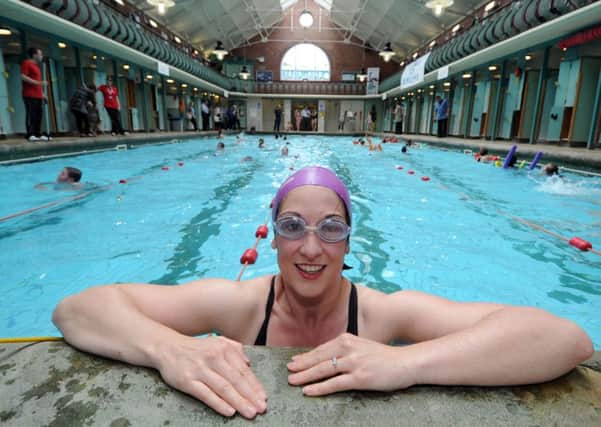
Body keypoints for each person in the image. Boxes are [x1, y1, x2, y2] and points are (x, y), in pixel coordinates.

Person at [52, 166, 593, 420]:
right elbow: (77, 308)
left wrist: (407, 364)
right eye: (292, 227)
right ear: (272, 238)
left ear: (349, 238)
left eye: (330, 229)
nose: (311, 248)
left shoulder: (382, 314)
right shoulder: (238, 304)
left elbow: (564, 339)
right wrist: (170, 348)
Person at [21, 47, 48, 142]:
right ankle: (30, 134)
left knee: (38, 115)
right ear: (34, 55)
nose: (41, 56)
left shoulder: (37, 66)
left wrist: (43, 94)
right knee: (31, 114)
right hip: (29, 94)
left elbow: (38, 82)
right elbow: (23, 77)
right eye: (40, 54)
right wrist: (39, 83)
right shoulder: (27, 63)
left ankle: (37, 133)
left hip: (38, 95)